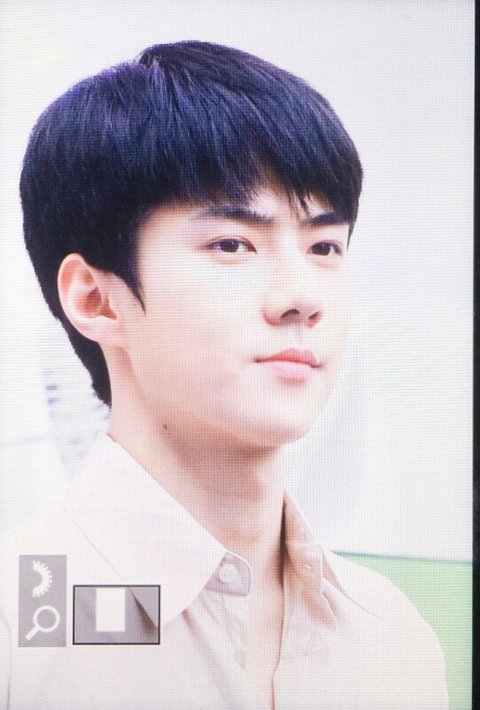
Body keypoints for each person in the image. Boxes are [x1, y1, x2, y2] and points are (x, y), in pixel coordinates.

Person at [0, 41, 448, 709]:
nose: (302, 298)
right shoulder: (20, 624)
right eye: (232, 244)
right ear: (96, 299)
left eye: (325, 246)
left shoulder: (392, 640)